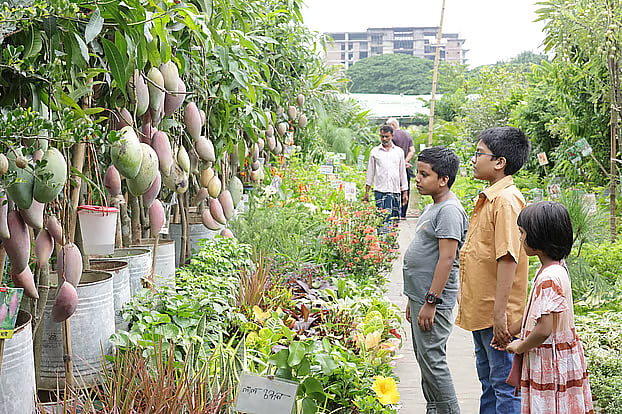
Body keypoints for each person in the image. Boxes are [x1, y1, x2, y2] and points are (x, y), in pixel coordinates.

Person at [455, 126, 531, 414]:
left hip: (496, 317)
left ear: (499, 162)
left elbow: (508, 259)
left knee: (504, 386)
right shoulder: (490, 198)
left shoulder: (506, 201)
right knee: (489, 383)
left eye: (479, 154)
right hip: (482, 313)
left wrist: (501, 315)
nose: (473, 160)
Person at [496, 201, 594, 413]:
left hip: (549, 360)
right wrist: (512, 331)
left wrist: (520, 346)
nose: (520, 239)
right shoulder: (554, 268)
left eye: (522, 233)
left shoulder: (549, 277)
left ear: (539, 238)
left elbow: (543, 328)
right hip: (553, 355)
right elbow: (536, 312)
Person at [403, 146, 468, 414]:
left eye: (424, 174)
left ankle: (449, 411)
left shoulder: (449, 211)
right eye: (417, 173)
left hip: (433, 301)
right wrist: (414, 298)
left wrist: (431, 301)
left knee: (433, 359)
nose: (417, 179)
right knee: (424, 358)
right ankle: (436, 409)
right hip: (421, 297)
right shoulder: (435, 206)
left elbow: (447, 259)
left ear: (444, 180)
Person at [363, 125, 408, 230]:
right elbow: (370, 172)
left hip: (395, 190)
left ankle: (392, 240)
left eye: (387, 136)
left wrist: (405, 192)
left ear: (392, 136)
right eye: (382, 136)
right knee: (381, 218)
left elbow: (402, 172)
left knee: (394, 218)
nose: (384, 139)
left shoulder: (399, 152)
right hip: (380, 190)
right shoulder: (375, 152)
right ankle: (382, 242)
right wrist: (367, 192)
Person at [387, 118, 416, 219]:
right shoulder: (407, 135)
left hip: (393, 167)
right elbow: (412, 151)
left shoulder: (392, 136)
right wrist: (405, 161)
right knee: (405, 188)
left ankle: (393, 213)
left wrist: (400, 163)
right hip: (406, 167)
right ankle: (403, 214)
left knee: (393, 188)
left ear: (392, 125)